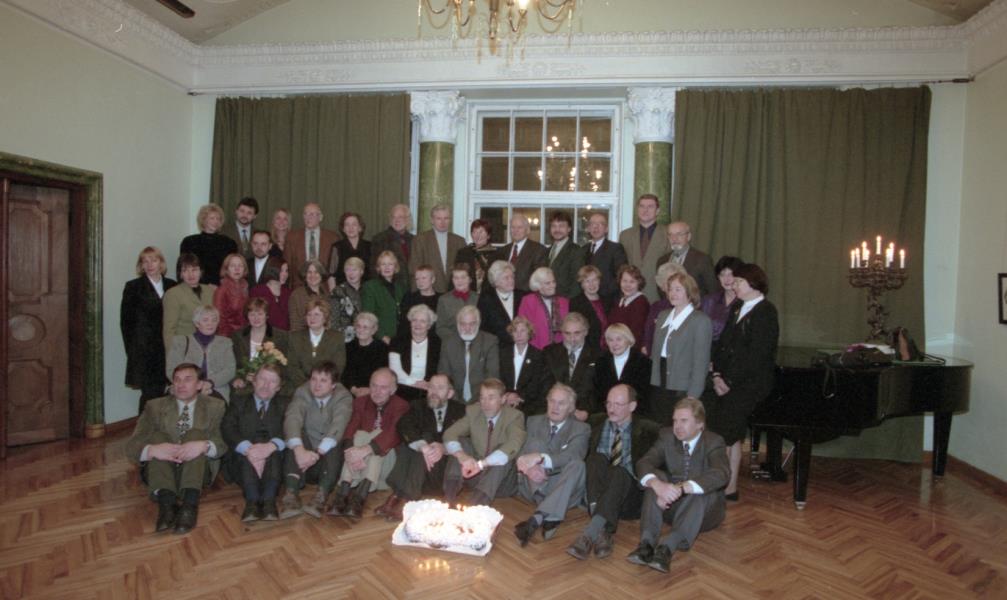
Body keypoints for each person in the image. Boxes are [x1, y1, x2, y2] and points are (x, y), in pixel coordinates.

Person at [627, 397, 730, 573]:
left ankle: (667, 547)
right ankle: (646, 544)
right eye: (675, 420)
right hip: (671, 506)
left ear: (700, 424)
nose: (677, 426)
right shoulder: (667, 436)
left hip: (704, 513)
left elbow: (722, 473)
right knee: (656, 478)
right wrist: (657, 484)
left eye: (684, 421)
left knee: (702, 490)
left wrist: (683, 487)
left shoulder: (713, 441)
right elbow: (644, 462)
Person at [704, 262, 779, 501]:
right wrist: (717, 375)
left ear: (754, 284)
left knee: (729, 432)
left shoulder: (766, 311)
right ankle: (727, 485)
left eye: (738, 281)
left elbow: (757, 355)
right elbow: (723, 344)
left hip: (748, 384)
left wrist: (729, 381)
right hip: (726, 381)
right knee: (725, 432)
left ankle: (727, 486)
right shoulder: (738, 306)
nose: (733, 285)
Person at [125, 363, 226, 535]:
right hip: (161, 470)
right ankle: (167, 505)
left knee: (196, 435)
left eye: (188, 379)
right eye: (177, 380)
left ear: (199, 385)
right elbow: (132, 445)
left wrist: (204, 445)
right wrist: (151, 450)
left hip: (197, 470)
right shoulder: (154, 406)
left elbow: (223, 443)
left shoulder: (215, 406)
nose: (181, 384)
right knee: (158, 438)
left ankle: (189, 506)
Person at [566, 385, 660, 561]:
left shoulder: (649, 431)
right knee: (595, 459)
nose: (611, 409)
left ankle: (588, 534)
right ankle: (602, 531)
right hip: (598, 493)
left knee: (619, 471)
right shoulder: (596, 422)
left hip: (629, 496)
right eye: (608, 403)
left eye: (618, 404)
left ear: (632, 406)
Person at [375, 373, 466, 521]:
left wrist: (444, 448)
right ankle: (402, 496)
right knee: (417, 442)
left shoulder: (461, 411)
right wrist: (423, 446)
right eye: (431, 387)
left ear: (450, 393)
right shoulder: (417, 406)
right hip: (420, 472)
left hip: (442, 472)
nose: (434, 392)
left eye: (440, 388)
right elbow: (404, 425)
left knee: (424, 438)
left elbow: (466, 439)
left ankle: (402, 497)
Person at [513, 383, 590, 547]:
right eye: (552, 401)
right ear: (547, 402)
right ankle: (551, 513)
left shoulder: (581, 428)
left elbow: (572, 456)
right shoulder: (533, 421)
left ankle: (538, 517)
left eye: (561, 403)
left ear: (571, 408)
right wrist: (530, 467)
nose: (555, 407)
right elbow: (520, 452)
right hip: (534, 484)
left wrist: (540, 458)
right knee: (535, 443)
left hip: (563, 487)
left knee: (578, 464)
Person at [328, 368, 409, 520]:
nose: (377, 392)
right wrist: (351, 454)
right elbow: (350, 429)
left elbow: (392, 434)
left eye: (383, 387)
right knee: (359, 435)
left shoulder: (401, 406)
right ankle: (346, 495)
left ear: (393, 390)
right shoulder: (360, 402)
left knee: (375, 435)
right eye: (374, 386)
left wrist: (366, 450)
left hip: (386, 460)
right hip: (358, 462)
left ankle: (356, 494)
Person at [279, 361, 353, 519]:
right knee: (296, 437)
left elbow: (339, 424)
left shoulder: (343, 396)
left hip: (326, 459)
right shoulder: (302, 391)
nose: (316, 385)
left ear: (333, 385)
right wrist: (299, 450)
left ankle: (321, 496)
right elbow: (293, 417)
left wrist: (317, 453)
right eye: (314, 379)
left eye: (323, 380)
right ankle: (290, 494)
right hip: (303, 456)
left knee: (335, 441)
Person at [442, 378, 527, 507]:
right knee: (461, 442)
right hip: (473, 476)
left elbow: (513, 444)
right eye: (482, 397)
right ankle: (449, 499)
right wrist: (462, 456)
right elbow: (449, 433)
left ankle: (474, 506)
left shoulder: (514, 416)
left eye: (491, 398)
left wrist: (481, 465)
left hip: (501, 483)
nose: (485, 403)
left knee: (504, 453)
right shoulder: (474, 412)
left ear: (503, 399)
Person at [221, 363, 286, 522]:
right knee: (249, 451)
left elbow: (292, 429)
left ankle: (269, 502)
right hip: (242, 459)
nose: (266, 385)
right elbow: (227, 428)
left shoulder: (285, 405)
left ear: (278, 388)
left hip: (274, 461)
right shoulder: (238, 402)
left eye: (272, 381)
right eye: (262, 379)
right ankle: (252, 502)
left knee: (274, 450)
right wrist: (248, 449)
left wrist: (271, 446)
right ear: (254, 381)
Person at [649, 272, 713, 425]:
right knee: (660, 424)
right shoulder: (663, 316)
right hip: (660, 380)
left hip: (682, 384)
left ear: (690, 292)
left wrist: (693, 395)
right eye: (670, 289)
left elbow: (701, 362)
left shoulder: (700, 320)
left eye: (678, 289)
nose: (672, 293)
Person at [121, 246, 176, 412]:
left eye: (154, 260)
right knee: (149, 395)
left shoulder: (172, 285)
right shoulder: (133, 287)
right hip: (144, 350)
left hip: (167, 348)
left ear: (161, 263)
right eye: (145, 261)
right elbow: (126, 323)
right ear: (141, 266)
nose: (150, 264)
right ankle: (144, 427)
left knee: (167, 393)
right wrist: (133, 351)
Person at [166, 305, 236, 403]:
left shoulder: (225, 343)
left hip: (216, 389)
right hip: (185, 390)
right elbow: (171, 370)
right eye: (205, 320)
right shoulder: (180, 342)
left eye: (214, 320)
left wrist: (210, 383)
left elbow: (230, 370)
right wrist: (193, 386)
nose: (210, 324)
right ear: (197, 323)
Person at [542, 312, 601, 422]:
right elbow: (545, 384)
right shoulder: (549, 352)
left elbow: (597, 390)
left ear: (585, 332)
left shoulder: (598, 355)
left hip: (583, 411)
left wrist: (587, 411)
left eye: (577, 333)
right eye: (567, 333)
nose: (572, 338)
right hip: (554, 409)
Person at [229, 297, 290, 401]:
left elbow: (285, 366)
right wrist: (238, 378)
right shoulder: (237, 336)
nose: (256, 318)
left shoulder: (281, 337)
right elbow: (232, 364)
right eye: (252, 314)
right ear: (247, 316)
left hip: (270, 385)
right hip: (245, 384)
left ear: (267, 315)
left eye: (260, 314)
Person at [438, 306, 500, 403]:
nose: (467, 328)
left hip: (482, 399)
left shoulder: (490, 341)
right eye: (463, 324)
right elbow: (444, 375)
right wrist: (454, 399)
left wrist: (482, 399)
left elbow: (492, 376)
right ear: (457, 324)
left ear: (478, 323)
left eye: (472, 324)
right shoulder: (448, 342)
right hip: (453, 398)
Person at [618, 194, 670, 302]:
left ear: (657, 211)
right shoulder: (625, 235)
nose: (645, 210)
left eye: (650, 206)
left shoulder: (668, 234)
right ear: (637, 209)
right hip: (631, 294)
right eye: (642, 206)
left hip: (658, 293)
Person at [286, 298, 346, 389]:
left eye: (317, 314)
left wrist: (320, 386)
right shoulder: (295, 337)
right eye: (309, 314)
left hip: (328, 387)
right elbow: (292, 367)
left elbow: (338, 367)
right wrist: (308, 387)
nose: (312, 318)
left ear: (325, 317)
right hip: (300, 387)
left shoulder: (337, 338)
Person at [162, 254, 217, 348]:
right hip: (184, 348)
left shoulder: (210, 291)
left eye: (194, 270)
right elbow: (169, 330)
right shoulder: (172, 294)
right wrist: (173, 354)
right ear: (180, 274)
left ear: (201, 271)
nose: (190, 274)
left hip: (209, 348)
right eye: (185, 270)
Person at [388, 304, 441, 402]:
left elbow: (439, 368)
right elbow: (395, 370)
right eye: (414, 320)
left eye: (422, 321)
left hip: (428, 388)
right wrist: (413, 383)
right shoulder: (397, 341)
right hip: (403, 387)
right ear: (410, 322)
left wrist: (428, 383)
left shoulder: (437, 343)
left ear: (429, 325)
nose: (418, 324)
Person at [408, 204, 465, 294]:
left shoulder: (459, 241)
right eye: (438, 218)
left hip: (454, 292)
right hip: (429, 291)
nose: (443, 222)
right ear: (432, 220)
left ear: (450, 220)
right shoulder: (420, 240)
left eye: (446, 218)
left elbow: (464, 269)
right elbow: (414, 268)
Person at [179, 204, 239, 286]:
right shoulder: (189, 242)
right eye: (212, 218)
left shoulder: (229, 243)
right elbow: (184, 268)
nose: (216, 221)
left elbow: (232, 269)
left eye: (218, 219)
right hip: (196, 286)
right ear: (203, 220)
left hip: (222, 287)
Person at [656, 221, 719, 298]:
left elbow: (713, 290)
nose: (674, 238)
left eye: (679, 234)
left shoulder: (702, 259)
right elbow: (660, 289)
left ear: (688, 236)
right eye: (670, 235)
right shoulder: (662, 261)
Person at [594, 324, 651, 407]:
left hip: (636, 410)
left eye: (619, 339)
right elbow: (598, 392)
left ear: (628, 339)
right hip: (606, 409)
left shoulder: (643, 362)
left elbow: (645, 393)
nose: (614, 344)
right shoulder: (601, 362)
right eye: (610, 340)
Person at [284, 203, 340, 288]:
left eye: (312, 214)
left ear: (320, 217)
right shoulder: (291, 238)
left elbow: (335, 268)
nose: (308, 217)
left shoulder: (332, 238)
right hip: (299, 288)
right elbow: (288, 266)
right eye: (305, 214)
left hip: (325, 288)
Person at [500, 316, 546, 416]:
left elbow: (536, 383)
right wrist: (507, 395)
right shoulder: (503, 353)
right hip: (505, 400)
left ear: (529, 333)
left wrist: (518, 397)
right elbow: (500, 378)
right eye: (515, 331)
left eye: (523, 331)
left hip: (528, 403)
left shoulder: (537, 355)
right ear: (511, 334)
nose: (519, 334)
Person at [361, 250, 408, 343]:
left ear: (395, 267)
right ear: (378, 268)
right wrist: (382, 336)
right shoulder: (370, 286)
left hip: (401, 337)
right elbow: (368, 316)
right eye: (383, 264)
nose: (387, 267)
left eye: (390, 264)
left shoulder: (401, 287)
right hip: (381, 339)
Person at [517, 266, 570, 350]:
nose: (553, 285)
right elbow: (524, 327)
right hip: (537, 348)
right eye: (548, 283)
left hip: (561, 349)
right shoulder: (528, 301)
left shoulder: (564, 302)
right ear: (538, 285)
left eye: (553, 281)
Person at [477, 260, 527, 346]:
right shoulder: (486, 298)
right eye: (506, 278)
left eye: (512, 277)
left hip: (521, 345)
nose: (511, 280)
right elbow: (482, 327)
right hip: (496, 346)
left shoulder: (523, 296)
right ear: (496, 281)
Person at [641, 262, 687, 355]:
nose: (672, 284)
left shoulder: (689, 307)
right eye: (668, 281)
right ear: (662, 286)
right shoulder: (656, 307)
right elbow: (648, 333)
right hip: (656, 355)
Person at [493, 214, 548, 291]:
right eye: (513, 227)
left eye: (519, 227)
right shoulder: (502, 251)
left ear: (527, 230)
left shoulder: (539, 250)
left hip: (525, 295)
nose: (516, 230)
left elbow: (538, 280)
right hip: (503, 295)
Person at [341, 312, 389, 398]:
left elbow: (385, 373)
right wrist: (354, 390)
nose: (361, 330)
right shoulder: (348, 348)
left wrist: (370, 390)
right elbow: (345, 373)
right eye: (358, 326)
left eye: (365, 327)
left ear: (373, 330)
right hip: (350, 391)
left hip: (376, 391)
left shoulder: (383, 348)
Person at [583, 211, 627, 303]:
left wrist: (601, 292)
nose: (596, 227)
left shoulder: (615, 248)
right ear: (588, 228)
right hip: (586, 300)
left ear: (606, 229)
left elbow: (621, 275)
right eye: (593, 224)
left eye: (600, 224)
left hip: (608, 299)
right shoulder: (583, 249)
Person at [608, 264, 650, 353]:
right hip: (617, 348)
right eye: (625, 281)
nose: (627, 285)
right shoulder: (620, 301)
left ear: (639, 283)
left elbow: (637, 333)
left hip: (630, 351)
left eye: (632, 281)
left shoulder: (641, 303)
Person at [701, 255, 744, 341]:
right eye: (722, 275)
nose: (726, 279)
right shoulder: (708, 301)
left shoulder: (745, 302)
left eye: (731, 274)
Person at [370, 203, 414, 288]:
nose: (397, 220)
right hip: (389, 287)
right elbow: (374, 268)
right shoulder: (380, 239)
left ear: (407, 219)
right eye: (394, 217)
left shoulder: (414, 240)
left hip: (411, 287)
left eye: (400, 217)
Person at [568, 265, 611, 350]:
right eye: (587, 281)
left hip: (609, 347)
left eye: (595, 280)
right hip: (588, 349)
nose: (592, 284)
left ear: (599, 281)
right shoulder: (576, 302)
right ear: (582, 284)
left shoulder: (608, 301)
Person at [546, 211, 585, 299]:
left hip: (566, 301)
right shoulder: (547, 251)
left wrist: (567, 304)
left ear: (569, 229)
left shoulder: (576, 251)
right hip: (547, 300)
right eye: (553, 226)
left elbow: (577, 283)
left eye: (561, 226)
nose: (557, 230)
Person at [327, 211, 372, 286]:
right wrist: (334, 292)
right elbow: (331, 275)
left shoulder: (370, 246)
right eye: (347, 225)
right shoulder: (337, 247)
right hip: (343, 290)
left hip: (366, 289)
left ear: (360, 228)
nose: (350, 228)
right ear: (343, 229)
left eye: (354, 224)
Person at [435, 264, 478, 341]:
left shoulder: (479, 298)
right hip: (452, 342)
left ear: (470, 279)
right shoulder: (444, 300)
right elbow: (440, 327)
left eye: (463, 277)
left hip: (476, 341)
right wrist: (456, 339)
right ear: (452, 280)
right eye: (456, 278)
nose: (459, 281)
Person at [454, 219, 496, 292]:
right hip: (467, 293)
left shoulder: (496, 254)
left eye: (481, 232)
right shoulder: (463, 253)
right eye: (474, 232)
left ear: (488, 235)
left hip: (489, 294)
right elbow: (456, 274)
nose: (477, 235)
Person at [397, 265, 441, 335]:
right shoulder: (409, 298)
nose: (420, 282)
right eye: (417, 279)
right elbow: (403, 324)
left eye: (424, 278)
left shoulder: (441, 299)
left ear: (433, 280)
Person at [213, 253, 249, 337]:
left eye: (240, 266)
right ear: (226, 269)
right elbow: (220, 320)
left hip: (244, 334)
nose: (237, 269)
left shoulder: (245, 287)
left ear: (244, 269)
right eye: (233, 266)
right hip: (229, 336)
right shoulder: (222, 290)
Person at [330, 256, 365, 341]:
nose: (351, 273)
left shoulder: (368, 290)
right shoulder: (337, 291)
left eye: (354, 270)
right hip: (344, 338)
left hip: (365, 337)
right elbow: (333, 320)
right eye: (347, 270)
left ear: (361, 272)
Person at [249, 261, 292, 331]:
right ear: (272, 271)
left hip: (284, 334)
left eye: (286, 271)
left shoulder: (288, 292)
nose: (285, 274)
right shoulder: (257, 291)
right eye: (281, 271)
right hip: (264, 333)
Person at [288, 260, 329, 332]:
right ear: (305, 275)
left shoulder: (327, 295)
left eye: (316, 272)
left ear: (321, 275)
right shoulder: (296, 295)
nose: (313, 275)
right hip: (303, 336)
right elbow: (295, 325)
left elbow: (329, 321)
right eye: (309, 272)